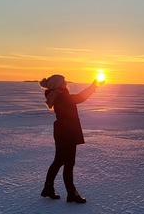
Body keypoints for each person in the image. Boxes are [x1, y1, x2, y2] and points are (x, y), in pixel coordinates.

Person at [39, 74, 103, 203]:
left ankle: (48, 188)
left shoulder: (57, 94)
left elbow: (75, 99)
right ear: (58, 83)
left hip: (62, 131)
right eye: (64, 82)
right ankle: (71, 193)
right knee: (68, 164)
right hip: (67, 132)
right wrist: (93, 87)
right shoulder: (62, 96)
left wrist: (92, 87)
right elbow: (79, 98)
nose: (66, 84)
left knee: (58, 161)